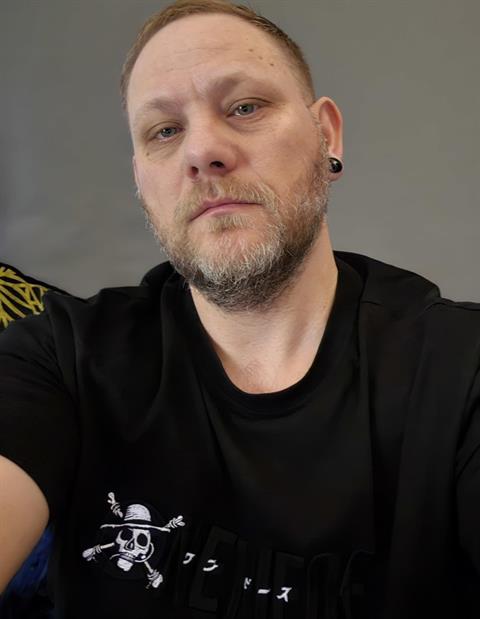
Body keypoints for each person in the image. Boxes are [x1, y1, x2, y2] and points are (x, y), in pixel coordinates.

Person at [1, 1, 480, 617]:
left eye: (245, 107)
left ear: (326, 136)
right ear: (142, 181)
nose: (203, 150)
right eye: (164, 131)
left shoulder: (460, 369)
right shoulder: (60, 359)